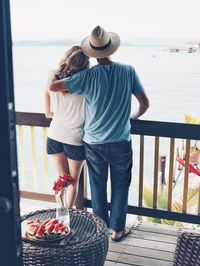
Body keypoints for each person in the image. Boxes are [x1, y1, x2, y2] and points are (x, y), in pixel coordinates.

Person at [48, 26, 150, 241]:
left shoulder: (87, 76)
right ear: (111, 49)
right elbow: (144, 104)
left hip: (93, 142)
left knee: (98, 185)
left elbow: (55, 86)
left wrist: (59, 77)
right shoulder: (128, 71)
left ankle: (100, 229)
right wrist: (133, 116)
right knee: (121, 185)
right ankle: (118, 230)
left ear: (93, 53)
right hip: (121, 140)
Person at [44, 46, 89, 208]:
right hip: (74, 138)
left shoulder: (53, 76)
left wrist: (49, 111)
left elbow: (46, 98)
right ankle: (67, 216)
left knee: (61, 179)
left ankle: (60, 213)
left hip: (55, 134)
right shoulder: (85, 81)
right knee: (72, 182)